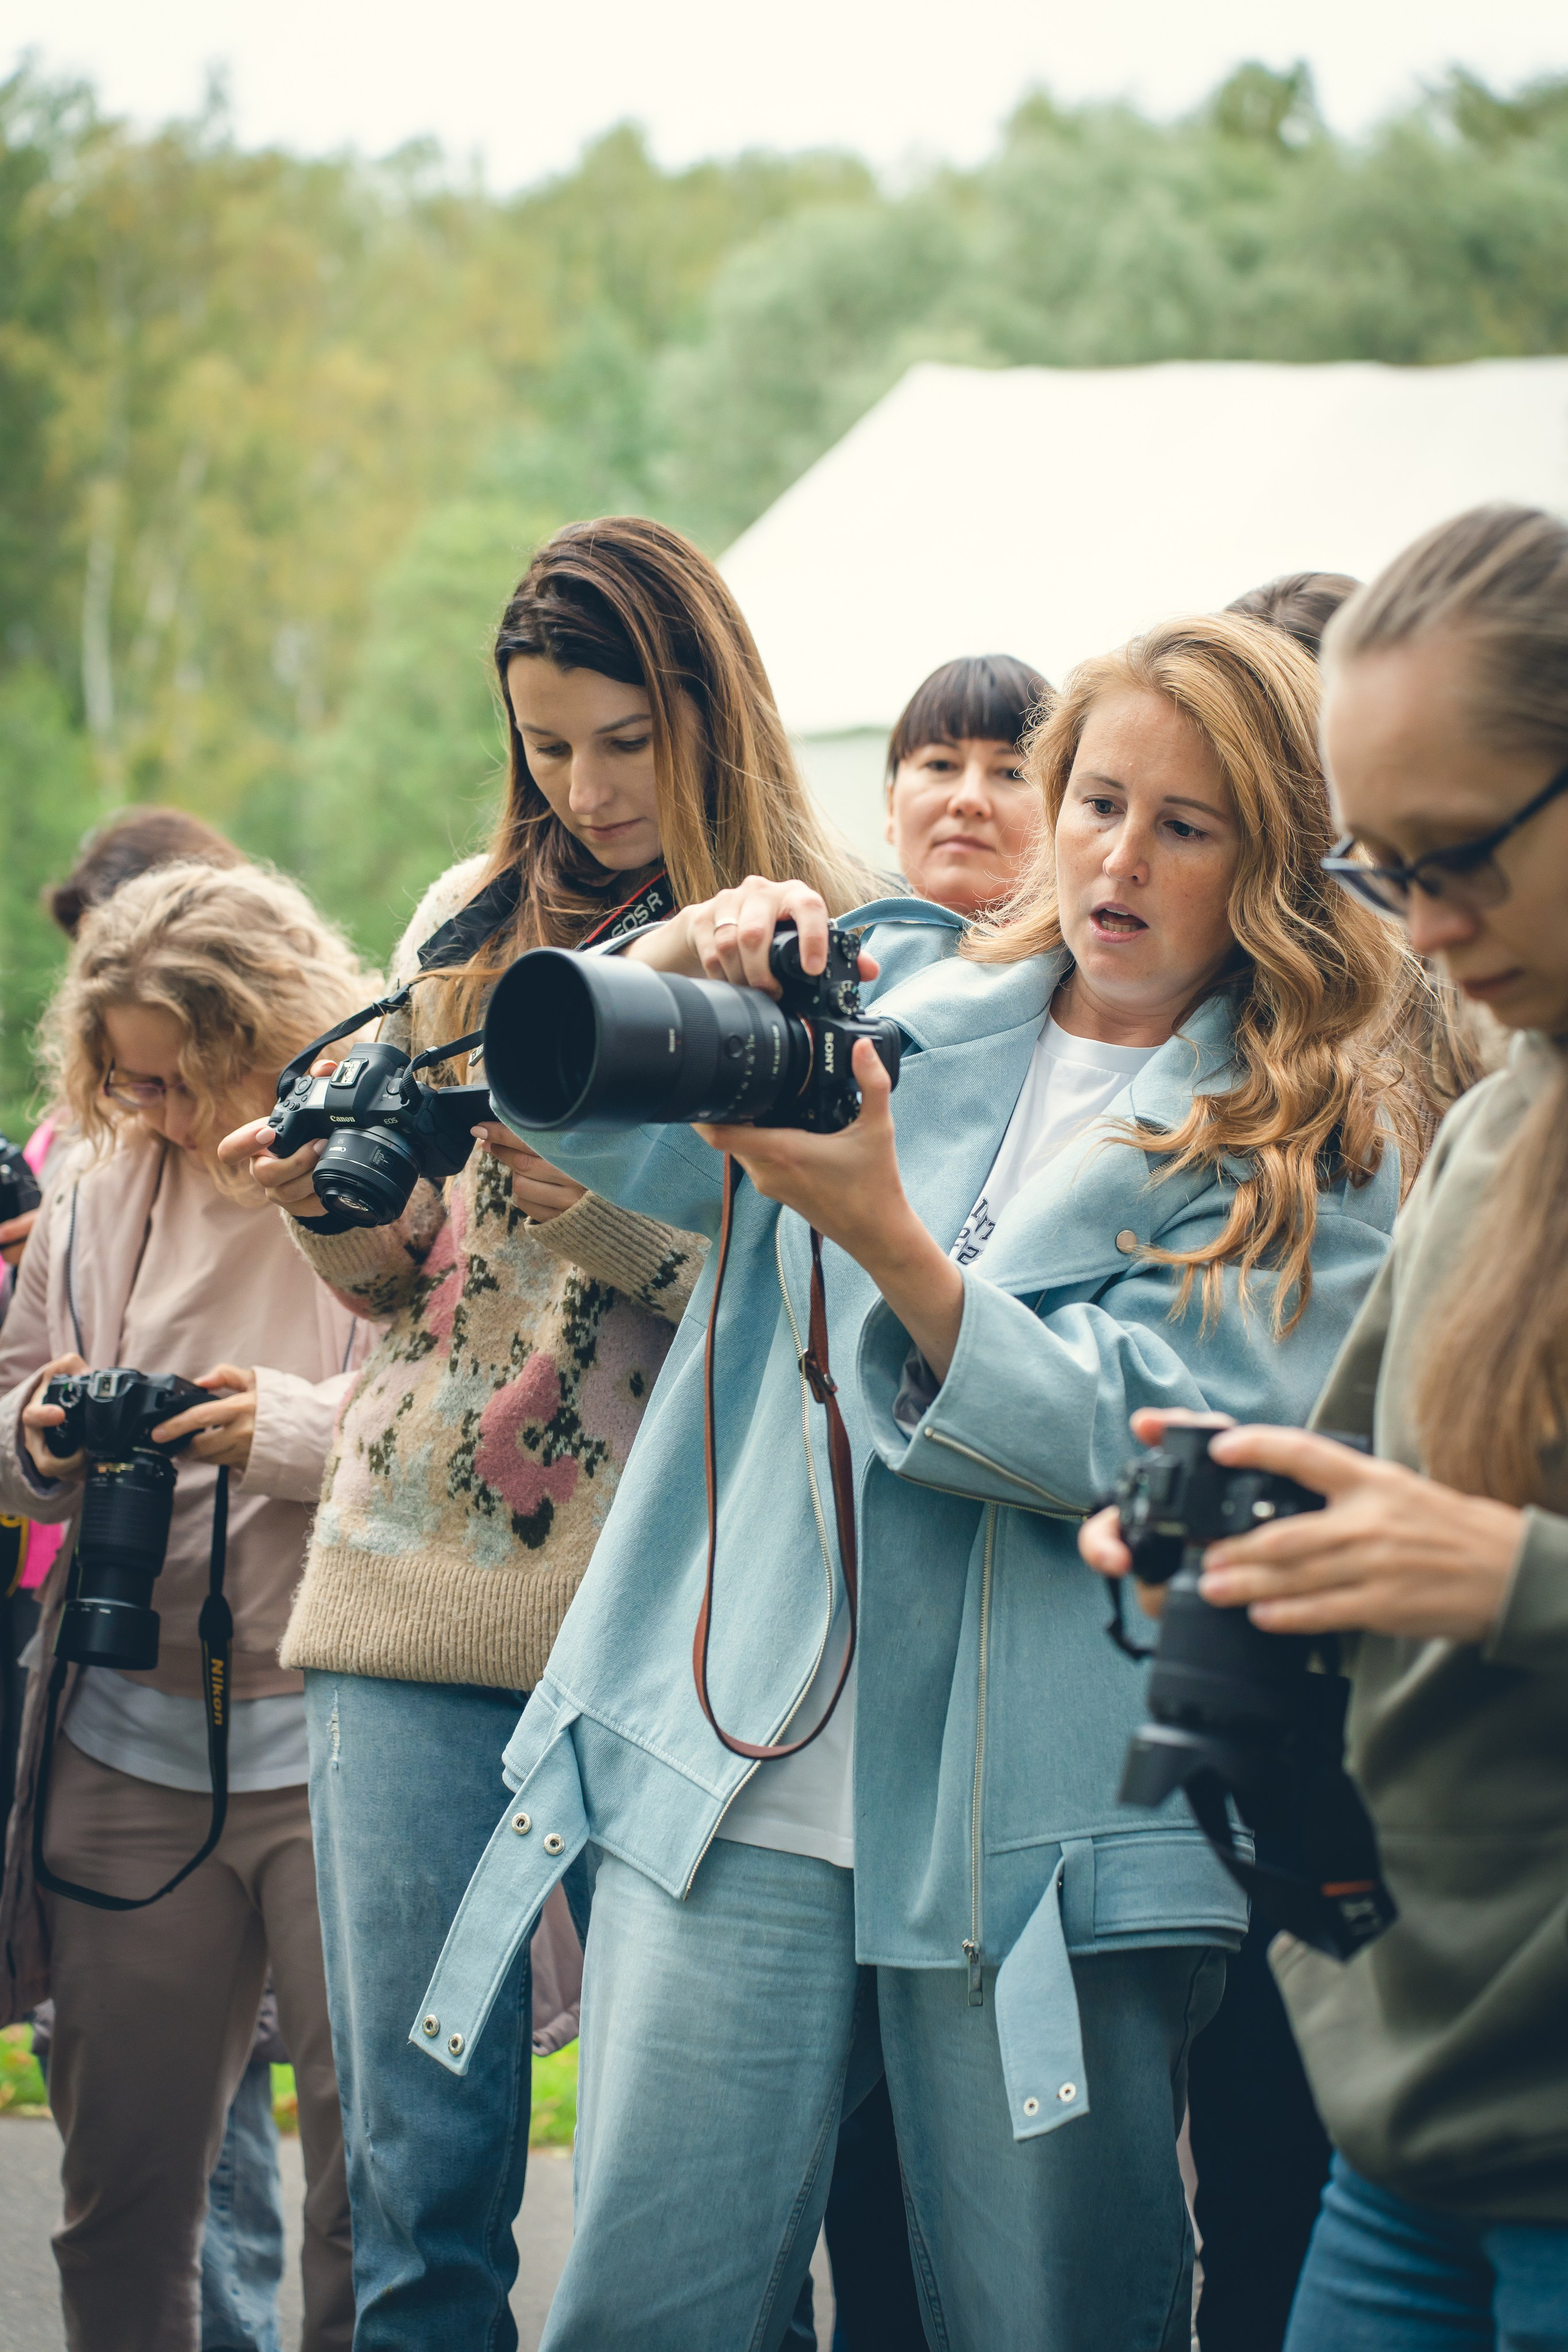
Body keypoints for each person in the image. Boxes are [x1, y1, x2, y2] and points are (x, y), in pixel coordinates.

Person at [411, 610, 1422, 2351]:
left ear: (1272, 858)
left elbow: (1177, 1453)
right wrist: (694, 960)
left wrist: (892, 1241)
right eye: (1098, 797)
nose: (1118, 854)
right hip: (739, 1775)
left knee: (1058, 2320)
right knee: (644, 2312)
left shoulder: (1312, 1147)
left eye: (1186, 825)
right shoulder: (899, 1001)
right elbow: (581, 1126)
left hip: (1044, 1842)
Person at [221, 514, 881, 2350]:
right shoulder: (460, 913)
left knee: (697, 2198)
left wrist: (567, 1167)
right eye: (542, 742)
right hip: (412, 1587)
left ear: (708, 707)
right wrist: (323, 1205)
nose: (581, 788)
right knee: (417, 2183)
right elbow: (398, 1287)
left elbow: (798, 1285)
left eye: (620, 737)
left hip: (689, 1612)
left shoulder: (811, 933)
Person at [1083, 503, 1568, 2351]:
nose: (1427, 929)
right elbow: (1356, 1470)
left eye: (1457, 858)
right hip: (1408, 2103)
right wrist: (1223, 1521)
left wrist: (1508, 1574)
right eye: (1381, 871)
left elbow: (1476, 1554)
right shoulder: (1505, 1116)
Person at [0, 859, 372, 2352]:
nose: (154, 1112)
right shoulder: (93, 1185)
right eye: (129, 1081)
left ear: (273, 1037)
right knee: (123, 2202)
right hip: (122, 1731)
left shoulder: (388, 1172)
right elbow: (14, 1401)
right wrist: (38, 1435)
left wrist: (284, 1430)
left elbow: (496, 1429)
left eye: (181, 1078)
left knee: (384, 2207)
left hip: (346, 1740)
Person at [883, 655, 1049, 914]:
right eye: (941, 765)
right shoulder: (825, 939)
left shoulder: (1101, 955)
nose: (969, 800)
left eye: (1011, 772)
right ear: (891, 806)